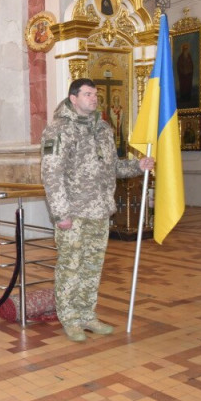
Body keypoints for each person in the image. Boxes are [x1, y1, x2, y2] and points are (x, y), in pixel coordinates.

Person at [40, 78, 154, 343]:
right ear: (73, 98)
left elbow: (112, 167)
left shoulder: (103, 128)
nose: (94, 99)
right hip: (74, 212)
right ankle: (70, 319)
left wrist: (138, 166)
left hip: (100, 211)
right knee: (71, 267)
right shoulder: (58, 130)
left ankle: (87, 314)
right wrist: (61, 214)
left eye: (95, 94)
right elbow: (51, 174)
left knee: (92, 268)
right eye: (88, 94)